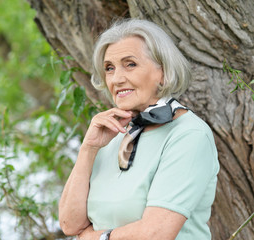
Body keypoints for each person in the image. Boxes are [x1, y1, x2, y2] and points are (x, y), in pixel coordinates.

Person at [58, 19, 219, 240]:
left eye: (130, 64)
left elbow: (156, 233)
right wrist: (89, 148)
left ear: (162, 71)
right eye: (109, 68)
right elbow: (70, 224)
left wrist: (95, 238)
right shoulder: (111, 137)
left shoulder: (189, 134)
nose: (117, 79)